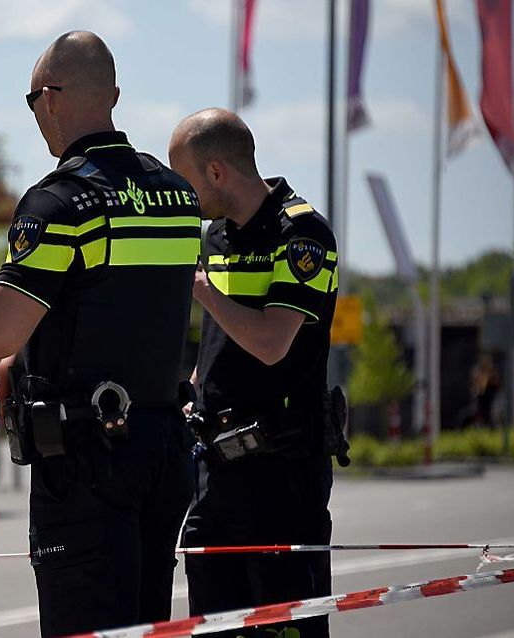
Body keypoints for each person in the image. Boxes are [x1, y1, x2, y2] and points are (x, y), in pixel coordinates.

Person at [0, 31, 200, 637]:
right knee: (146, 626)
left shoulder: (61, 201)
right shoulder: (177, 197)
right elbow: (119, 311)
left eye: (31, 100)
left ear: (52, 99)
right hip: (162, 450)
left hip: (88, 462)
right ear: (112, 95)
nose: (35, 115)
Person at [168, 108, 344, 638]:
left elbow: (271, 343)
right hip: (214, 475)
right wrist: (196, 388)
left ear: (217, 172)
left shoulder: (302, 232)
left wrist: (200, 288)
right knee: (214, 626)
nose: (183, 198)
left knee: (286, 629)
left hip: (281, 476)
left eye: (186, 182)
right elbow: (218, 339)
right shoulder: (216, 236)